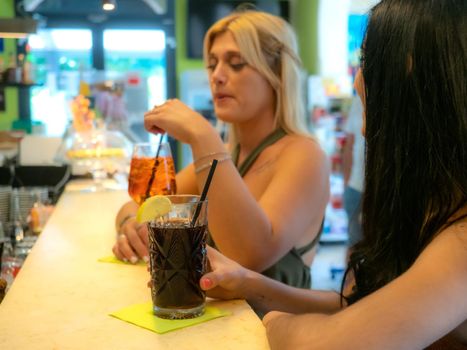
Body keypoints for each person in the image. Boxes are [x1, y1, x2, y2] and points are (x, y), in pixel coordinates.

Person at [198, 0, 467, 348]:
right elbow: (360, 307)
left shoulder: (459, 238)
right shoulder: (430, 205)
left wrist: (279, 323)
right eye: (213, 64)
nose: (357, 81)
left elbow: (336, 341)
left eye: (367, 64)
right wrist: (248, 283)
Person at [113, 10, 330, 289]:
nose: (217, 76)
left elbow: (248, 257)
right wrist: (131, 226)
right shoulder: (231, 154)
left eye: (236, 63)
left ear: (277, 73)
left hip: (267, 330)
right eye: (212, 64)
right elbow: (141, 205)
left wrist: (203, 136)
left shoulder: (304, 155)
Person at [342, 94, 364, 252]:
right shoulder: (358, 101)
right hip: (356, 187)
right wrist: (347, 183)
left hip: (386, 191)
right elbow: (349, 146)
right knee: (354, 244)